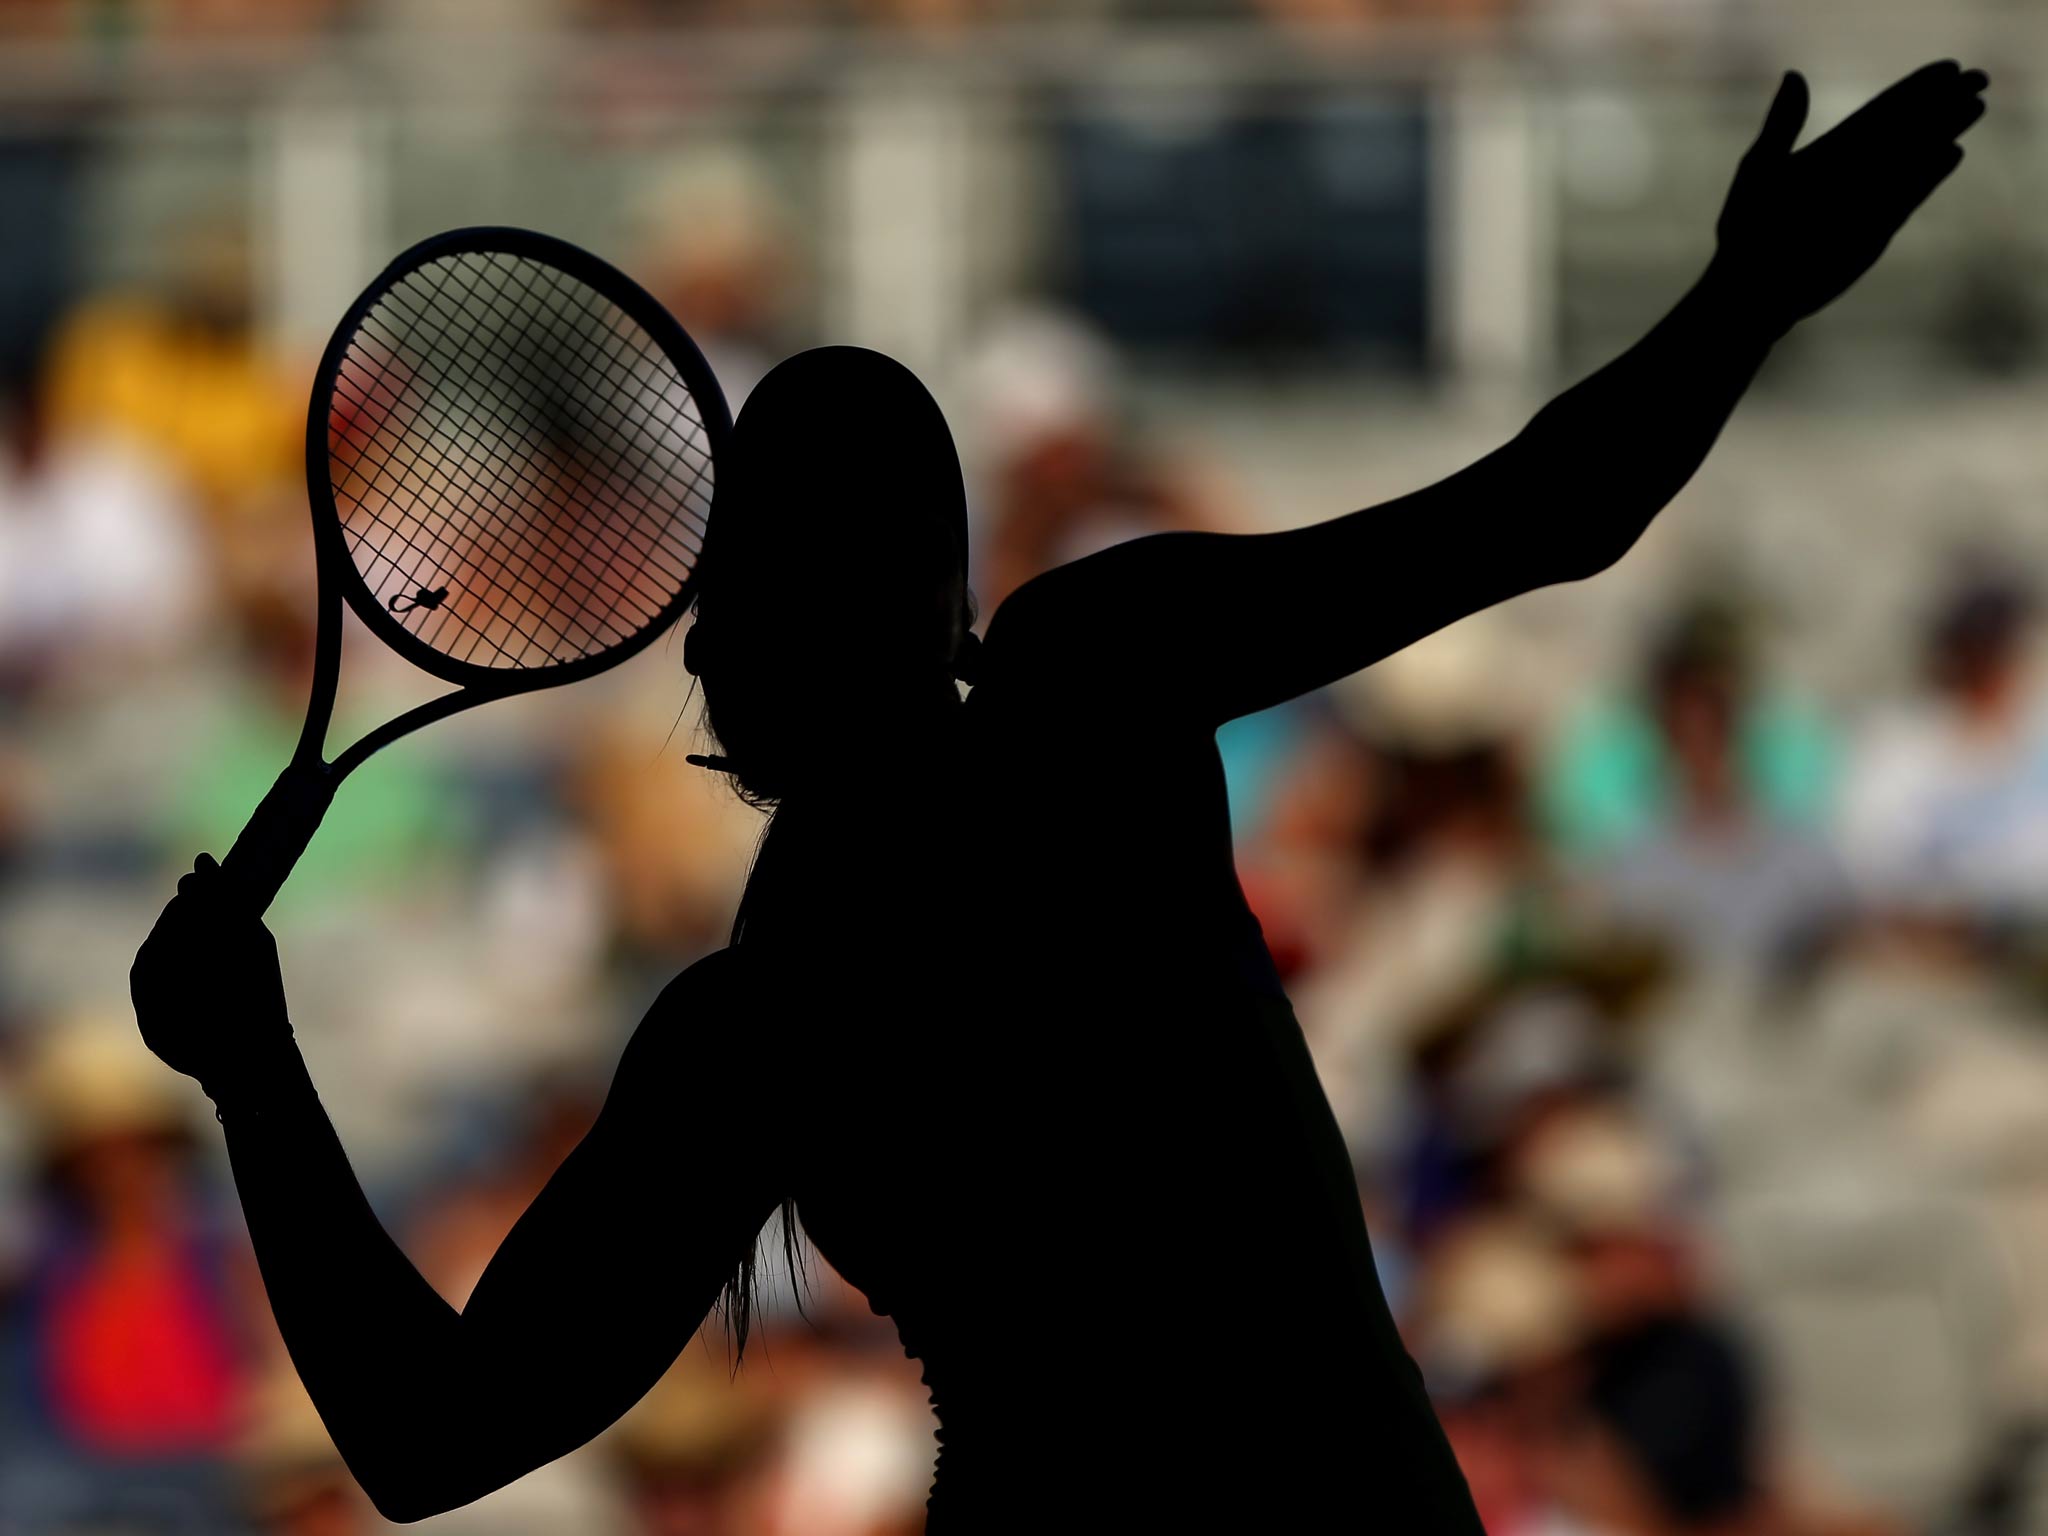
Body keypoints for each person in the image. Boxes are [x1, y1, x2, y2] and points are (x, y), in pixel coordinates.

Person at [128, 60, 1988, 1532]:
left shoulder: (761, 1025)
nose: (696, 656)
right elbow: (1551, 510)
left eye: (740, 602)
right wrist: (1745, 296)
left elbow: (431, 1435)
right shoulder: (1089, 692)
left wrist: (257, 1074)